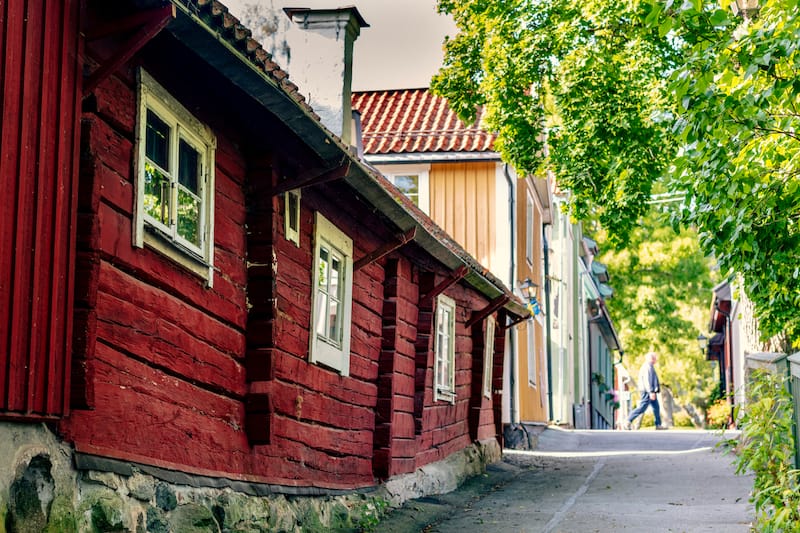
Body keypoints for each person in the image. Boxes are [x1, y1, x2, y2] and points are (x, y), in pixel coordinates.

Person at [624, 352, 666, 430]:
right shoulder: (647, 367)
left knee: (656, 407)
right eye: (655, 358)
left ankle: (658, 424)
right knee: (642, 407)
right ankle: (628, 420)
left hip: (650, 391)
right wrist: (651, 392)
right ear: (651, 358)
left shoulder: (650, 366)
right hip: (647, 391)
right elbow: (647, 380)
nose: (656, 360)